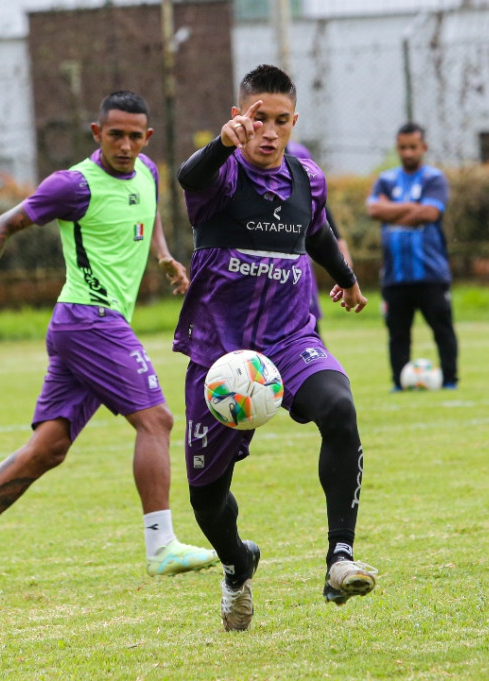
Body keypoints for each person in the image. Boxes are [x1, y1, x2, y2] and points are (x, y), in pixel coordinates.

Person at [0, 91, 218, 590]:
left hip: (83, 326)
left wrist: (165, 256)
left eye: (134, 136)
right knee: (158, 420)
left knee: (50, 447)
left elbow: (148, 214)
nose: (124, 145)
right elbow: (4, 224)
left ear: (146, 138)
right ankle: (161, 544)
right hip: (90, 320)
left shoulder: (147, 170)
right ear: (95, 133)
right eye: (114, 135)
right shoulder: (74, 185)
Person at [174, 64, 378, 632]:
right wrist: (219, 144)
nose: (268, 131)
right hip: (219, 356)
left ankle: (339, 558)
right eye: (256, 118)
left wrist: (345, 275)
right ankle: (238, 564)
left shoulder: (307, 177)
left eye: (280, 121)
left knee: (339, 408)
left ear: (293, 122)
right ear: (239, 115)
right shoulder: (221, 177)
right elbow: (190, 178)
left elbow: (315, 230)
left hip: (290, 340)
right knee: (206, 500)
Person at [366, 122, 459, 391]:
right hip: (395, 274)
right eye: (403, 147)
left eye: (412, 147)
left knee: (442, 329)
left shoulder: (434, 179)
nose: (407, 153)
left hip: (431, 271)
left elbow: (430, 214)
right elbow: (374, 211)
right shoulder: (386, 179)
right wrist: (412, 208)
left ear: (424, 148)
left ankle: (450, 380)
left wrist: (390, 209)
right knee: (397, 334)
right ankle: (399, 382)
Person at [286, 140, 353, 338]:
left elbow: (316, 203)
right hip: (255, 266)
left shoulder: (299, 153)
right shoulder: (235, 158)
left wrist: (339, 243)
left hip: (296, 259)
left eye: (281, 119)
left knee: (307, 329)